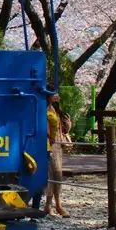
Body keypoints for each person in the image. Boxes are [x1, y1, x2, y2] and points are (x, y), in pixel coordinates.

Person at [44, 88, 71, 218]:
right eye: (55, 93)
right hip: (49, 143)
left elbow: (62, 128)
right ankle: (49, 205)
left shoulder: (55, 109)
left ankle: (57, 204)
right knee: (51, 174)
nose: (57, 95)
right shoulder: (44, 109)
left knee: (57, 174)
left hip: (58, 144)